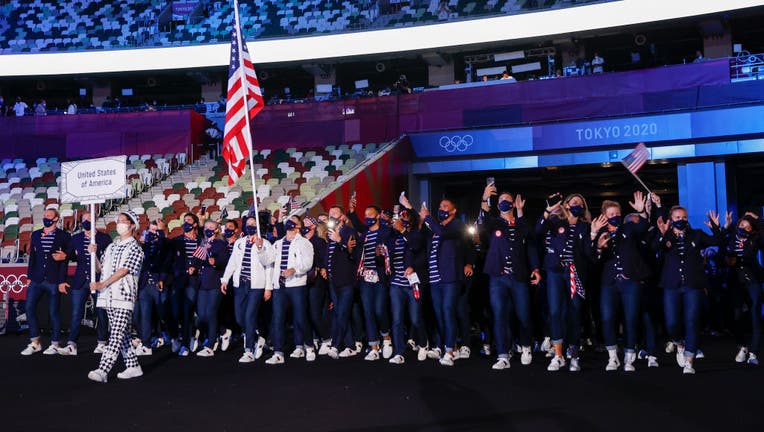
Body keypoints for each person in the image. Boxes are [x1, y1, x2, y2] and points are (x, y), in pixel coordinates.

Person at [654, 206, 724, 374]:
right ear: (671, 219)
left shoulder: (697, 234)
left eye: (684, 217)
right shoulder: (667, 235)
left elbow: (719, 242)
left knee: (692, 321)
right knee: (671, 323)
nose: (681, 220)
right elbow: (655, 248)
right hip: (671, 285)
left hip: (693, 285)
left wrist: (716, 227)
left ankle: (689, 361)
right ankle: (679, 343)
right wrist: (663, 235)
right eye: (677, 217)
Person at [479, 185, 541, 370]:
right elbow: (482, 223)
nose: (504, 202)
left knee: (523, 315)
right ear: (498, 206)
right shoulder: (494, 224)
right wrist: (484, 200)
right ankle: (503, 355)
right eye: (501, 201)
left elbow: (530, 242)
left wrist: (536, 269)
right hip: (498, 278)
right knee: (499, 316)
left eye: (508, 200)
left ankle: (526, 346)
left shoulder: (521, 223)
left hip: (519, 277)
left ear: (514, 204)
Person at [590, 192, 651, 372]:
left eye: (618, 214)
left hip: (629, 281)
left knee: (631, 318)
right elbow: (592, 258)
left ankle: (629, 358)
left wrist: (642, 213)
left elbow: (644, 228)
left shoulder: (629, 228)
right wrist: (598, 245)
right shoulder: (599, 233)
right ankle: (612, 357)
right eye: (611, 214)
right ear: (604, 216)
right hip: (608, 283)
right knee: (608, 318)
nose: (615, 217)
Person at [537, 193, 593, 372]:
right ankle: (558, 355)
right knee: (554, 312)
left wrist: (593, 237)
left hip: (574, 272)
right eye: (574, 202)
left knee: (575, 313)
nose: (577, 204)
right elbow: (537, 232)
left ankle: (574, 354)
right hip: (555, 272)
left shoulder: (585, 226)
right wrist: (548, 210)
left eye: (580, 203)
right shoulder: (555, 221)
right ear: (566, 205)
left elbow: (588, 254)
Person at [87, 211, 145, 383]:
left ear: (132, 225)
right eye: (118, 221)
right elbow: (100, 268)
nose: (119, 224)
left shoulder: (135, 247)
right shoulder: (112, 246)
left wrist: (102, 284)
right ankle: (133, 366)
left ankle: (103, 369)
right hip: (108, 297)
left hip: (123, 296)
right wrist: (94, 254)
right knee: (123, 334)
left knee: (116, 333)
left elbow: (124, 270)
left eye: (123, 221)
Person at [420, 198, 470, 366]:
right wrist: (409, 207)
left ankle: (449, 350)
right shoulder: (435, 228)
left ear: (453, 210)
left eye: (445, 206)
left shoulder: (456, 225)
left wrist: (427, 218)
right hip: (434, 279)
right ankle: (451, 346)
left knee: (448, 311)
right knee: (440, 314)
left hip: (450, 278)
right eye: (440, 206)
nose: (441, 208)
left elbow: (443, 233)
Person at [56, 213, 112, 355]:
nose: (86, 222)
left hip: (99, 280)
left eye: (89, 219)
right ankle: (72, 344)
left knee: (101, 311)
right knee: (76, 313)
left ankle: (102, 342)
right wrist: (62, 280)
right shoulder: (75, 239)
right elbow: (67, 258)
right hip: (80, 281)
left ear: (94, 220)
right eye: (84, 220)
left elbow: (110, 260)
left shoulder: (105, 238)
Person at [220, 216, 274, 363]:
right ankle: (257, 338)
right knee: (239, 318)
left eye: (253, 224)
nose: (250, 226)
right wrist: (225, 279)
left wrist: (268, 288)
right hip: (240, 285)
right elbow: (232, 262)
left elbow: (268, 264)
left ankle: (248, 350)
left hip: (256, 286)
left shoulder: (265, 243)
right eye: (248, 224)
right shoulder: (240, 242)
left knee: (250, 316)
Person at [20, 208, 71, 356]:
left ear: (56, 219)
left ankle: (55, 344)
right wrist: (29, 277)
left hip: (54, 280)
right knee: (29, 308)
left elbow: (69, 257)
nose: (46, 218)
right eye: (45, 216)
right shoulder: (36, 234)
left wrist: (65, 257)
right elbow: (33, 258)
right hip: (36, 279)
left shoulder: (64, 236)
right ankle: (35, 342)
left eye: (49, 216)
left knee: (53, 312)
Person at [348, 201, 394, 360]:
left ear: (378, 215)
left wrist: (381, 253)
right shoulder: (365, 234)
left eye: (370, 215)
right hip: (365, 278)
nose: (367, 218)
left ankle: (386, 338)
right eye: (365, 215)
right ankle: (373, 345)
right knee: (367, 312)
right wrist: (352, 212)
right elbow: (357, 227)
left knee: (379, 310)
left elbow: (390, 251)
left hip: (380, 276)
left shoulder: (386, 232)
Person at [266, 215, 315, 364]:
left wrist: (294, 269)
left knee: (300, 318)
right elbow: (267, 261)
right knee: (278, 319)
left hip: (296, 285)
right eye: (289, 220)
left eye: (293, 221)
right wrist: (261, 248)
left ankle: (309, 346)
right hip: (280, 286)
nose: (289, 222)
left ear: (298, 226)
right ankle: (278, 352)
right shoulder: (278, 243)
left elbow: (308, 263)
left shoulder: (304, 243)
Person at [387, 208, 427, 364]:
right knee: (396, 320)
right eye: (400, 216)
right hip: (396, 284)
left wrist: (403, 230)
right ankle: (399, 353)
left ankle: (423, 343)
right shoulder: (395, 237)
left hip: (413, 283)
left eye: (405, 216)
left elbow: (416, 246)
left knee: (415, 319)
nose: (401, 219)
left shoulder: (416, 234)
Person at [324, 205, 360, 359]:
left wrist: (340, 240)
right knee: (340, 313)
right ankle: (350, 345)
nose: (331, 216)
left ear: (342, 216)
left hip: (346, 280)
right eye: (330, 214)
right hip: (333, 280)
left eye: (334, 214)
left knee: (343, 312)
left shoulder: (349, 232)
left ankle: (336, 345)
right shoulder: (329, 234)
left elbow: (353, 254)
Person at [728, 212, 764, 365]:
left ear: (751, 228)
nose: (742, 225)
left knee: (755, 312)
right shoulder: (731, 237)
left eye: (745, 224)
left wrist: (756, 218)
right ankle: (743, 346)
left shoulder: (755, 239)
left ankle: (754, 352)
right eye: (740, 224)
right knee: (736, 316)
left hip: (753, 279)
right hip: (736, 280)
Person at [134, 220, 172, 356]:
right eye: (150, 230)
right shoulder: (144, 246)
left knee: (163, 314)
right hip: (145, 284)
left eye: (156, 230)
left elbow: (164, 257)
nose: (152, 233)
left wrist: (160, 235)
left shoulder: (166, 244)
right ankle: (146, 344)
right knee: (144, 315)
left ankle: (172, 336)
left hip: (159, 282)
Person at [170, 213, 203, 356]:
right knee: (175, 312)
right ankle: (175, 337)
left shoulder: (200, 241)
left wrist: (195, 267)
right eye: (184, 221)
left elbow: (204, 256)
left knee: (187, 311)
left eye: (189, 220)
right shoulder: (177, 241)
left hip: (193, 281)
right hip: (178, 281)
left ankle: (185, 344)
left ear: (195, 224)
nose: (186, 223)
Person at [194, 220, 229, 357]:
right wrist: (193, 266)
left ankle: (211, 344)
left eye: (211, 227)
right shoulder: (203, 243)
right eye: (206, 227)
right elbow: (198, 259)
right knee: (202, 315)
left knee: (211, 313)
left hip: (215, 282)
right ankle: (222, 331)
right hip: (203, 283)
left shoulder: (221, 244)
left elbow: (226, 261)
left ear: (216, 230)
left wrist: (216, 263)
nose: (208, 229)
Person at [302, 216, 332, 355]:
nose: (305, 224)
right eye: (304, 222)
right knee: (305, 312)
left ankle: (327, 339)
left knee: (315, 313)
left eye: (308, 222)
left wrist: (321, 268)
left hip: (316, 281)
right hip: (301, 280)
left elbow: (324, 260)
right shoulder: (299, 241)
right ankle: (314, 338)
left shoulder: (319, 241)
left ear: (314, 226)